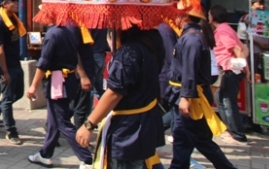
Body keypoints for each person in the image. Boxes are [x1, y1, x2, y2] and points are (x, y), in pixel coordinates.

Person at [75, 26, 165, 169]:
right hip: (146, 118)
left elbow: (115, 92)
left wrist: (89, 124)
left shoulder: (129, 51)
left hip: (128, 129)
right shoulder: (154, 39)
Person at [165, 0, 236, 169]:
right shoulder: (191, 36)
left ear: (185, 16)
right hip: (184, 95)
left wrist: (185, 97)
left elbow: (190, 71)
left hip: (190, 97)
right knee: (182, 139)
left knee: (199, 140)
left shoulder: (192, 40)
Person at [27, 24, 93, 169]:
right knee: (54, 121)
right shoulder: (67, 31)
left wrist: (33, 85)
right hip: (68, 80)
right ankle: (45, 154)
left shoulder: (53, 33)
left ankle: (87, 159)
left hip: (58, 81)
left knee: (62, 122)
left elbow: (43, 63)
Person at [0, 0, 26, 145]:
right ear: (4, 4)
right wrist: (4, 72)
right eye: (13, 1)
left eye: (16, 0)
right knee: (8, 99)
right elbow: (0, 49)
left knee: (19, 94)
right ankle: (11, 131)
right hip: (7, 65)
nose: (16, 3)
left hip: (16, 62)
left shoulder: (14, 19)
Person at [210, 4, 249, 144]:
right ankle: (233, 131)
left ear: (213, 16)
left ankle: (237, 134)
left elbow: (237, 49)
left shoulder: (222, 31)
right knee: (221, 99)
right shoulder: (226, 28)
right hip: (231, 69)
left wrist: (245, 70)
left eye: (209, 14)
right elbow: (243, 48)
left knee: (227, 101)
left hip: (229, 69)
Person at [66, 24, 95, 129]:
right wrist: (83, 75)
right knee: (80, 108)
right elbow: (73, 51)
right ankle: (80, 140)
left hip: (88, 68)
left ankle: (54, 127)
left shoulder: (82, 23)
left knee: (75, 106)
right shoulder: (72, 25)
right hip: (80, 74)